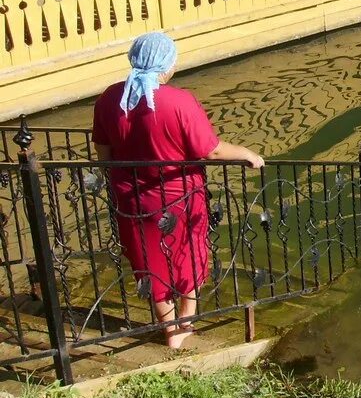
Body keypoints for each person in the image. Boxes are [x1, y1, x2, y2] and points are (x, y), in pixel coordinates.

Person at [91, 32, 264, 349]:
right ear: (166, 66)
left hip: (131, 199)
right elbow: (209, 150)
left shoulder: (108, 99)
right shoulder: (180, 101)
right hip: (179, 197)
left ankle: (171, 330)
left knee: (149, 263)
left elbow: (104, 153)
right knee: (188, 257)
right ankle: (186, 325)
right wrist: (248, 154)